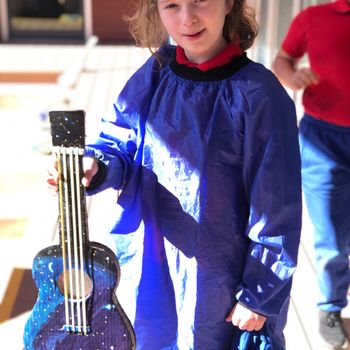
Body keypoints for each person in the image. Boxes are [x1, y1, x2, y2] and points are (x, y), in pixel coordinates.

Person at [48, 0, 302, 349]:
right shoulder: (154, 74)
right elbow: (119, 141)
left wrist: (258, 293)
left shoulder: (261, 95)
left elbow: (276, 207)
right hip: (148, 262)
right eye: (172, 4)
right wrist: (97, 166)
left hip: (221, 281)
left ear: (229, 3)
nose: (187, 18)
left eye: (200, 0)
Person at [272, 0, 350, 349]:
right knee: (332, 236)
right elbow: (282, 62)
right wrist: (293, 76)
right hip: (323, 141)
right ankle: (330, 307)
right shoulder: (313, 18)